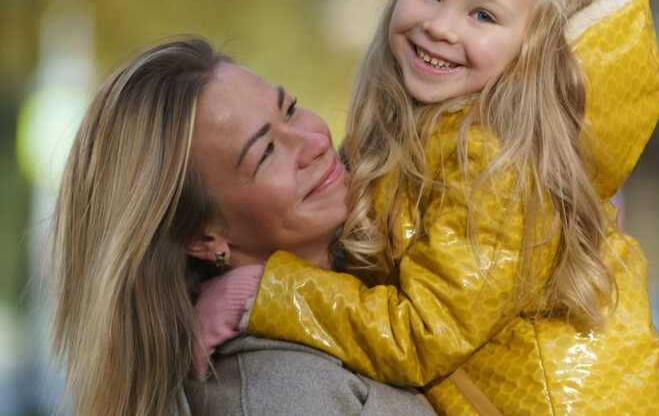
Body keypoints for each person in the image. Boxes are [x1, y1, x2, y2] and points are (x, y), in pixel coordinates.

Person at [200, 0, 659, 414]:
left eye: (483, 16)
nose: (440, 26)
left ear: (535, 49)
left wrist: (262, 295)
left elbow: (422, 335)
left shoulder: (498, 164)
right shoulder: (428, 130)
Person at [46, 38, 434, 416]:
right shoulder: (276, 398)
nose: (314, 141)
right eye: (266, 152)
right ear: (202, 237)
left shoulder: (388, 251)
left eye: (289, 110)